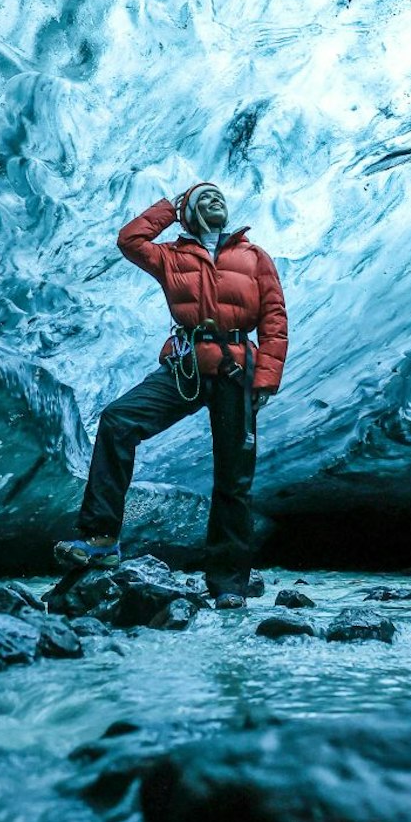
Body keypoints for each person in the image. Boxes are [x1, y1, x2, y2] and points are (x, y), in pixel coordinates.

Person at [54, 182, 289, 608]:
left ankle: (229, 585)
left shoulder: (254, 257)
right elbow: (130, 239)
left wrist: (267, 378)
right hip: (185, 365)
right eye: (204, 198)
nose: (216, 200)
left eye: (220, 197)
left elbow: (274, 317)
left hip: (238, 369)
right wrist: (171, 206)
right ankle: (101, 538)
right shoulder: (172, 256)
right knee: (119, 420)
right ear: (190, 212)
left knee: (234, 477)